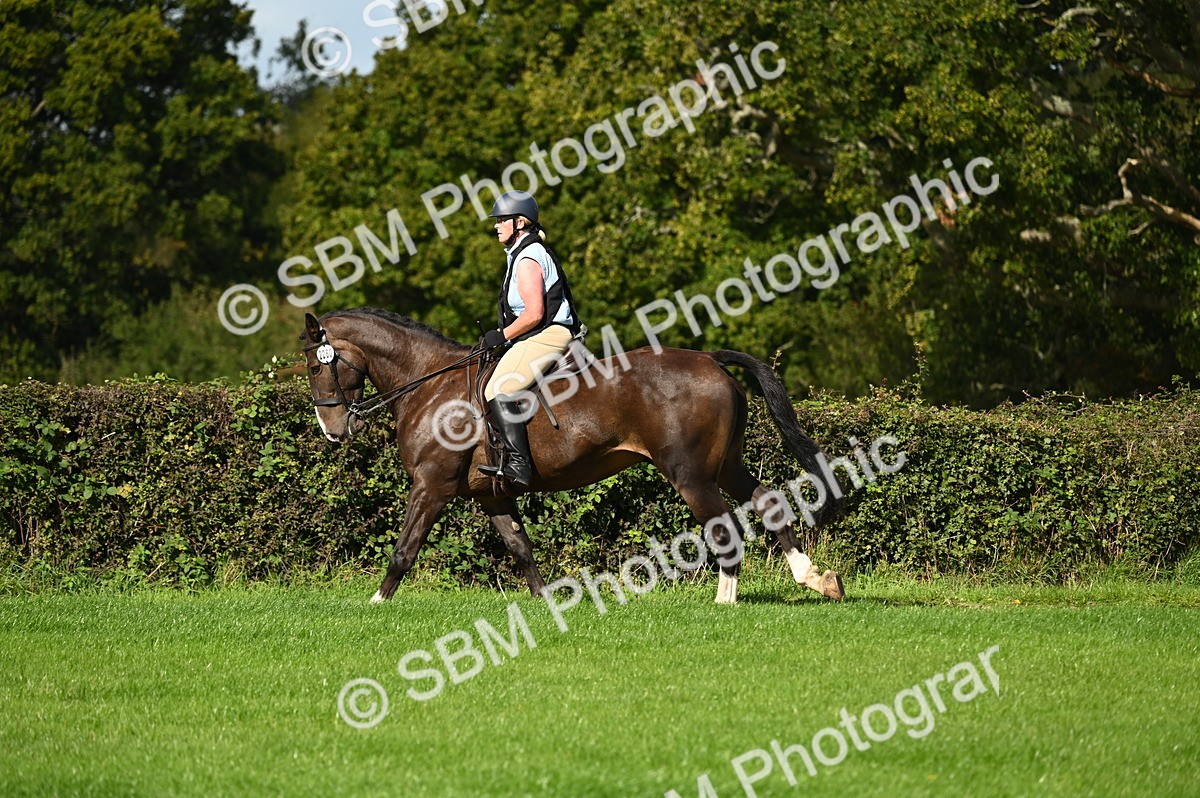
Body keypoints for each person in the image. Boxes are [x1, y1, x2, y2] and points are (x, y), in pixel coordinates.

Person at [477, 190, 582, 487]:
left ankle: (519, 466)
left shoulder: (528, 257)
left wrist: (501, 336)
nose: (496, 226)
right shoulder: (522, 253)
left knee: (499, 388)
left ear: (520, 222)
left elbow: (535, 313)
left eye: (501, 220)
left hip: (550, 334)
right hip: (539, 334)